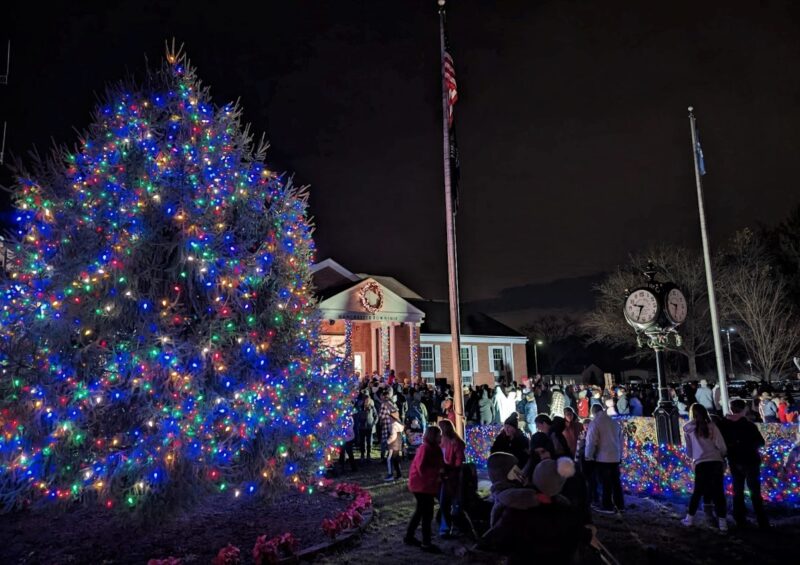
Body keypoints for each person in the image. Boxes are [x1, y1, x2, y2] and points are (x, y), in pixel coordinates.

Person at [717, 398, 769, 529]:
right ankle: (762, 521)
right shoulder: (748, 425)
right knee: (755, 491)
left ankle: (739, 518)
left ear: (731, 409)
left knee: (738, 489)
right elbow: (760, 442)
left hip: (734, 460)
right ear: (743, 410)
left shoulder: (723, 425)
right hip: (750, 460)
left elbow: (721, 443)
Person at [682, 404, 728, 532]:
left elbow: (689, 451)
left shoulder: (688, 430)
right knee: (718, 492)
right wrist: (723, 455)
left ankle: (689, 519)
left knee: (697, 492)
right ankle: (723, 523)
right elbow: (721, 445)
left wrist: (694, 456)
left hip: (700, 462)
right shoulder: (712, 426)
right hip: (715, 461)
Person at [405, 425, 445, 553]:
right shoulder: (425, 449)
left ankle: (409, 537)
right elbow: (421, 468)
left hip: (427, 484)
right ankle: (426, 543)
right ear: (433, 436)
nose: (441, 437)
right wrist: (436, 474)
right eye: (439, 434)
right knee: (427, 514)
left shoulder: (435, 448)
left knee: (421, 512)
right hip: (421, 485)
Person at [584, 403, 624, 514]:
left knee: (606, 483)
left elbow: (591, 441)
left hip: (603, 457)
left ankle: (607, 506)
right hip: (615, 456)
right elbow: (621, 440)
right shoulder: (614, 421)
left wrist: (588, 456)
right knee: (616, 482)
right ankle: (620, 505)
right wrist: (620, 455)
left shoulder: (595, 423)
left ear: (593, 412)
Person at [437, 419, 465, 536]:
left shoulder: (455, 442)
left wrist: (451, 469)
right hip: (444, 474)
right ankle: (446, 525)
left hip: (452, 475)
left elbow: (459, 460)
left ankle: (452, 527)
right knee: (444, 501)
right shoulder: (442, 441)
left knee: (452, 502)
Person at [379, 389, 398, 462]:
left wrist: (380, 421)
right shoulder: (393, 403)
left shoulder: (384, 404)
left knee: (384, 441)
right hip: (393, 424)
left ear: (384, 396)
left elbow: (382, 415)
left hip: (386, 424)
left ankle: (384, 457)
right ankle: (391, 456)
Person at [384, 410, 404, 481]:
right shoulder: (399, 424)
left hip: (393, 445)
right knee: (396, 460)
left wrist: (387, 442)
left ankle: (390, 474)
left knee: (389, 459)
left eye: (390, 417)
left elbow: (393, 436)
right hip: (398, 444)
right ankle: (399, 475)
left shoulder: (393, 425)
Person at [357, 394, 377, 461]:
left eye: (368, 400)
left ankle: (368, 455)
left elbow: (376, 416)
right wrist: (359, 422)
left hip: (369, 427)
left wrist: (373, 423)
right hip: (362, 427)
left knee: (369, 442)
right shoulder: (360, 407)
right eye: (366, 400)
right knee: (362, 442)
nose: (367, 401)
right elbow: (357, 416)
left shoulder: (372, 407)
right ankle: (362, 455)